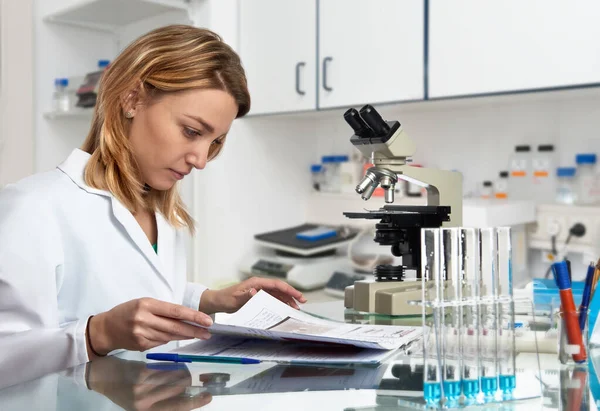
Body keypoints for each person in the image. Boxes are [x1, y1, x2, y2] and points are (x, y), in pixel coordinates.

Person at [0, 25, 306, 369]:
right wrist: (97, 334)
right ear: (132, 99)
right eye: (192, 131)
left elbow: (146, 291)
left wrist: (211, 299)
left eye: (215, 141)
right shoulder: (34, 208)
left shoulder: (160, 215)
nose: (201, 159)